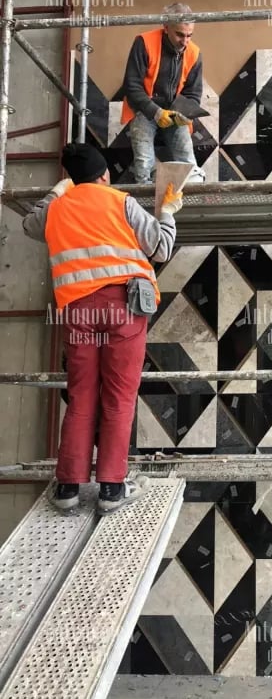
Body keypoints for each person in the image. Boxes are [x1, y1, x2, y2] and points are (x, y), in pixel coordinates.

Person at [22, 142, 183, 515]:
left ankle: (68, 488)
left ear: (72, 179)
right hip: (123, 309)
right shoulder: (119, 201)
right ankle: (112, 488)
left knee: (82, 396)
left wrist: (58, 190)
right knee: (119, 397)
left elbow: (30, 224)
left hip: (78, 312)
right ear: (104, 174)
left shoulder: (58, 207)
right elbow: (160, 248)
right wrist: (168, 211)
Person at [121, 2, 206, 185]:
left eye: (189, 35)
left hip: (174, 112)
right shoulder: (144, 42)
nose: (185, 41)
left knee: (189, 165)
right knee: (144, 166)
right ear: (166, 27)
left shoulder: (194, 53)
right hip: (143, 109)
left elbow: (193, 94)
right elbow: (132, 85)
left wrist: (185, 114)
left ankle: (188, 205)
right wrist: (156, 112)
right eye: (180, 35)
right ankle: (146, 208)